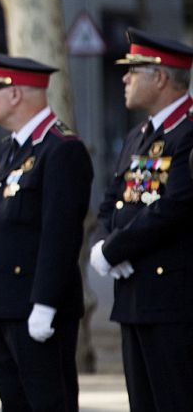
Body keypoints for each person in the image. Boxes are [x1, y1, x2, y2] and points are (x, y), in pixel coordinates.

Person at [0, 51, 93, 411]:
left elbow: (62, 234)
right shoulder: (12, 149)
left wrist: (45, 303)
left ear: (15, 94)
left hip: (35, 309)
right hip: (3, 306)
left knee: (48, 403)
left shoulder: (61, 149)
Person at [89, 28, 193, 411]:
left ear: (161, 77)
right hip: (133, 297)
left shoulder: (188, 133)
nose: (125, 78)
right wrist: (102, 242)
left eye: (135, 69)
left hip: (173, 301)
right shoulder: (138, 136)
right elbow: (112, 202)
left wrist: (116, 248)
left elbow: (175, 205)